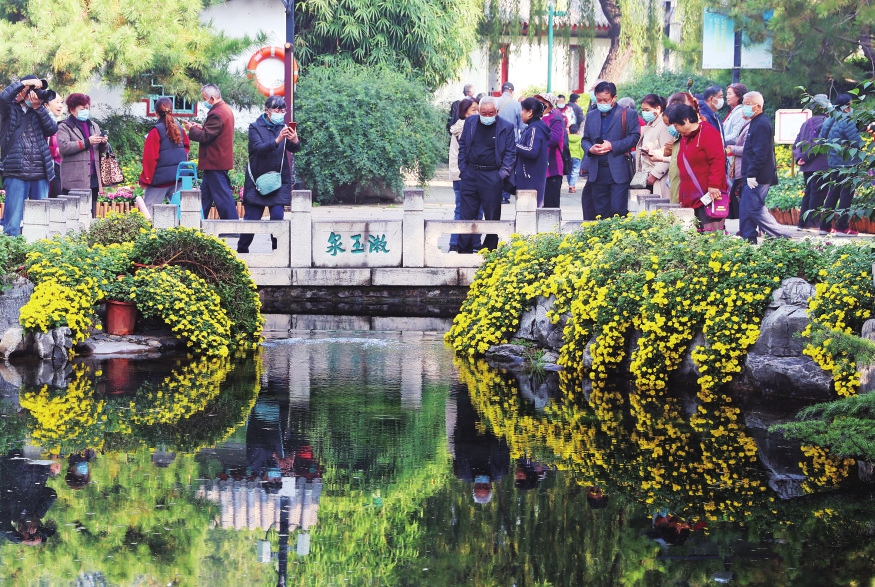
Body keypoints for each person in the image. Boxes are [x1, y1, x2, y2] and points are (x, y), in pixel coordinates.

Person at [237, 96, 301, 254]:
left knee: (278, 218)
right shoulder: (254, 127)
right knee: (251, 220)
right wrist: (278, 140)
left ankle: (278, 252)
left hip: (278, 181)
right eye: (277, 109)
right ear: (267, 110)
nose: (280, 112)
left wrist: (295, 140)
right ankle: (242, 251)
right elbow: (258, 148)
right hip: (258, 181)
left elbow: (294, 149)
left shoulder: (284, 126)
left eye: (283, 109)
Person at [0, 76, 58, 237]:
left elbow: (52, 129)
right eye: (32, 90)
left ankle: (37, 256)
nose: (35, 94)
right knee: (12, 223)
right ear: (23, 91)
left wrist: (39, 108)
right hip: (16, 171)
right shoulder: (9, 109)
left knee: (40, 222)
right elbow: (3, 97)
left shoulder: (39, 111)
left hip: (40, 172)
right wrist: (25, 84)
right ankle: (12, 255)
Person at [457, 97, 516, 253]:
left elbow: (511, 152)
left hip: (492, 175)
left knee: (492, 215)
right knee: (466, 214)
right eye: (484, 113)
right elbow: (462, 145)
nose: (487, 116)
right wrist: (463, 168)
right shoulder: (470, 123)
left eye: (491, 113)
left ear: (496, 112)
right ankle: (463, 251)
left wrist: (501, 174)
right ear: (479, 111)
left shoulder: (506, 126)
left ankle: (489, 250)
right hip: (470, 173)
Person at [579, 81, 641, 219]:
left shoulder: (628, 114)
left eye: (605, 100)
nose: (602, 103)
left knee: (618, 209)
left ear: (614, 98)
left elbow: (634, 137)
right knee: (600, 212)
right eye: (599, 100)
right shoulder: (591, 115)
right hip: (597, 170)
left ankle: (618, 238)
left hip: (618, 169)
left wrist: (612, 146)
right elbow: (585, 139)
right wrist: (590, 149)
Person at [738, 91, 790, 243]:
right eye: (743, 104)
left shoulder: (761, 123)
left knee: (754, 207)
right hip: (752, 174)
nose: (744, 107)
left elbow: (760, 153)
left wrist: (752, 173)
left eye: (747, 104)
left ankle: (781, 236)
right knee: (747, 207)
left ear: (758, 106)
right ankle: (748, 238)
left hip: (758, 176)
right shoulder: (756, 121)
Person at [667, 102, 727, 232]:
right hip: (690, 197)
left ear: (686, 120)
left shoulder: (708, 133)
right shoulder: (684, 138)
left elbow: (717, 160)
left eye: (676, 125)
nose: (675, 128)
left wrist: (714, 185)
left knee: (711, 237)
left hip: (708, 194)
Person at [182, 84, 236, 219]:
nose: (204, 102)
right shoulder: (224, 110)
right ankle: (197, 221)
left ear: (212, 98)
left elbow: (205, 136)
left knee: (222, 196)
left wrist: (191, 129)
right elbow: (212, 131)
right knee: (205, 195)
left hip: (215, 161)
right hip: (216, 160)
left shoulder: (217, 113)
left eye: (204, 99)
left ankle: (232, 226)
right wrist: (200, 127)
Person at [818, 92, 864, 236]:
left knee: (833, 193)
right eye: (850, 104)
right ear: (846, 106)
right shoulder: (847, 120)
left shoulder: (830, 119)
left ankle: (824, 227)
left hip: (833, 163)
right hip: (848, 163)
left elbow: (821, 140)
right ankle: (841, 227)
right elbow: (858, 143)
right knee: (846, 195)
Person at [56, 93, 107, 218]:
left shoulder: (94, 125)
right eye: (82, 108)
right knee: (73, 215)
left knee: (91, 214)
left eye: (87, 108)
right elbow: (64, 147)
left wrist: (103, 143)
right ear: (72, 109)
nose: (86, 111)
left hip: (93, 176)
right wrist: (87, 142)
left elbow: (100, 150)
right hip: (74, 178)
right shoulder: (64, 126)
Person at [138, 97, 191, 215]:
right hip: (178, 178)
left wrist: (146, 179)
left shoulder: (156, 131)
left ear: (156, 113)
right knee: (181, 215)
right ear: (171, 111)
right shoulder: (179, 128)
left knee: (148, 214)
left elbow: (150, 159)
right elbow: (186, 148)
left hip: (160, 181)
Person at [0, 451, 61, 545]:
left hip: (15, 457)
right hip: (39, 463)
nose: (29, 529)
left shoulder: (11, 514)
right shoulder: (37, 511)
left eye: (26, 533)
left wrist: (21, 540)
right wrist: (36, 516)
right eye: (33, 530)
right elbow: (51, 495)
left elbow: (3, 527)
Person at [792, 94, 830, 231]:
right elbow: (820, 144)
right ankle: (812, 223)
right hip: (820, 164)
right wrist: (806, 157)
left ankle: (802, 223)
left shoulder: (806, 123)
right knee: (817, 194)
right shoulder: (826, 122)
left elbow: (796, 144)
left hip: (806, 166)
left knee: (808, 193)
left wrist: (799, 158)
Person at [448, 98, 480, 252]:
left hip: (463, 174)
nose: (477, 113)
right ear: (464, 111)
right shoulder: (464, 127)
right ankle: (456, 244)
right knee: (462, 210)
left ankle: (471, 244)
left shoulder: (466, 125)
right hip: (463, 175)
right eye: (473, 110)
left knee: (472, 210)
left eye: (477, 109)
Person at [515, 97, 551, 205]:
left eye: (522, 110)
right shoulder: (534, 127)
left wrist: (513, 145)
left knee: (528, 211)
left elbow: (531, 151)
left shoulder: (535, 129)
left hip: (530, 179)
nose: (520, 113)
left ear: (530, 112)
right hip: (531, 177)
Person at [635, 94, 673, 198]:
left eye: (647, 110)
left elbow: (668, 152)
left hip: (658, 177)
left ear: (658, 108)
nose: (644, 113)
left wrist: (655, 174)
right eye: (643, 110)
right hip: (647, 176)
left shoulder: (664, 125)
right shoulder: (650, 124)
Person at [534, 93, 566, 208]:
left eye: (542, 103)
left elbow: (554, 139)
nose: (539, 106)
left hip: (552, 169)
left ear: (550, 105)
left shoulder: (555, 120)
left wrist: (535, 140)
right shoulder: (534, 120)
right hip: (536, 171)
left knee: (551, 205)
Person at [495, 82, 523, 203]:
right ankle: (505, 195)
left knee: (496, 166)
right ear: (512, 92)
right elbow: (522, 125)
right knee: (509, 167)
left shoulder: (495, 102)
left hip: (495, 140)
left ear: (502, 90)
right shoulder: (517, 105)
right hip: (512, 141)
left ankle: (496, 192)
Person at [725, 113, 750, 220]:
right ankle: (745, 227)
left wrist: (733, 149)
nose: (742, 110)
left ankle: (751, 227)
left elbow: (747, 148)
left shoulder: (751, 126)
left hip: (745, 169)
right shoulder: (747, 125)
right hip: (740, 169)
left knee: (745, 199)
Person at [46, 93, 64, 198]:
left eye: (61, 102)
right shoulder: (42, 122)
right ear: (46, 105)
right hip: (47, 170)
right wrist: (55, 151)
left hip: (59, 169)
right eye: (57, 102)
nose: (60, 105)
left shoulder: (60, 123)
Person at [566, 123, 584, 193]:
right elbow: (581, 149)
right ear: (578, 131)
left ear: (569, 131)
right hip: (577, 157)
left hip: (568, 157)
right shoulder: (579, 139)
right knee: (575, 172)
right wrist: (581, 157)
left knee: (569, 171)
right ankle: (572, 185)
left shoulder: (567, 138)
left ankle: (570, 184)